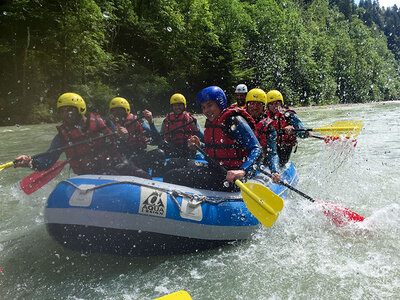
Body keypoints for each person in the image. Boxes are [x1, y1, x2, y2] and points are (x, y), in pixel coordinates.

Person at [14, 93, 151, 178]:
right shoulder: (62, 136)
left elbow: (122, 146)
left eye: (70, 110)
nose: (66, 114)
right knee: (110, 175)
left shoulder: (105, 123)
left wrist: (124, 136)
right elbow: (47, 162)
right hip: (89, 175)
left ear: (80, 109)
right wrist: (29, 162)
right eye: (62, 111)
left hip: (117, 164)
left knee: (144, 175)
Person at [163, 86, 262, 192]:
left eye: (210, 105)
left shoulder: (234, 121)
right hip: (216, 169)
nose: (206, 111)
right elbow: (219, 149)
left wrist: (242, 171)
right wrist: (200, 146)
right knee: (171, 163)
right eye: (203, 107)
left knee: (171, 176)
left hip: (232, 178)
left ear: (220, 103)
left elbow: (257, 150)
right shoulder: (213, 122)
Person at [108, 97, 164, 172]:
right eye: (114, 110)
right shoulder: (110, 125)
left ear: (126, 109)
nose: (117, 112)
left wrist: (151, 122)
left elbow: (158, 140)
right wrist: (118, 136)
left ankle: (157, 178)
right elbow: (107, 145)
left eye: (119, 110)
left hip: (139, 155)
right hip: (123, 158)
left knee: (159, 153)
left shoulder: (137, 121)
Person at [265, 90, 311, 166]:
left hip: (283, 150)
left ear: (281, 103)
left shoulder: (289, 115)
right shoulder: (264, 115)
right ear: (267, 106)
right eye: (271, 104)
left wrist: (294, 131)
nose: (274, 106)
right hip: (268, 149)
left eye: (277, 103)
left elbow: (303, 133)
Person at [245, 88, 281, 182]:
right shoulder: (239, 121)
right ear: (247, 105)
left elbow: (272, 153)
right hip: (241, 161)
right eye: (252, 103)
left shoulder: (269, 127)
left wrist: (275, 171)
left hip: (259, 162)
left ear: (264, 106)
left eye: (258, 104)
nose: (254, 107)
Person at [159, 93, 204, 158]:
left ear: (184, 105)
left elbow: (203, 139)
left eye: (179, 105)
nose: (177, 107)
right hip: (173, 150)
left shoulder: (191, 119)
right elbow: (160, 136)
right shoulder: (167, 120)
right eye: (175, 105)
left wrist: (195, 128)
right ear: (172, 107)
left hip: (187, 150)